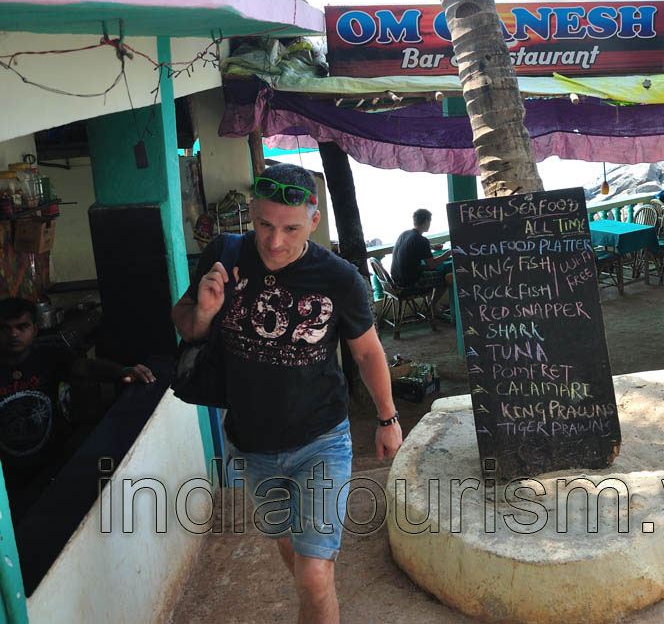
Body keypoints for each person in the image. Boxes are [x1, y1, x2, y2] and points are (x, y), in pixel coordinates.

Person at [171, 164, 402, 623]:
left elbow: (367, 352)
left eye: (291, 229)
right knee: (297, 558)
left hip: (321, 440)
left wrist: (387, 418)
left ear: (313, 221)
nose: (275, 242)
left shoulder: (339, 278)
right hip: (251, 445)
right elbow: (187, 325)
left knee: (314, 574)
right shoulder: (223, 253)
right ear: (253, 212)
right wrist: (205, 312)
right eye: (265, 225)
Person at [0, 297, 154, 520]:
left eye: (21, 327)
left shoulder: (46, 357)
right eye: (5, 329)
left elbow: (87, 368)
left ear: (35, 329)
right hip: (9, 478)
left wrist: (123, 371)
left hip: (52, 465)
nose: (14, 334)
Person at [390, 208, 453, 317]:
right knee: (444, 278)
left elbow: (413, 246)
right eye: (430, 221)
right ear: (426, 221)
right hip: (409, 283)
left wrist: (431, 247)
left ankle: (430, 306)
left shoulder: (405, 234)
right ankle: (431, 307)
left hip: (396, 279)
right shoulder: (421, 240)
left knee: (433, 272)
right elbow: (432, 264)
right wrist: (448, 253)